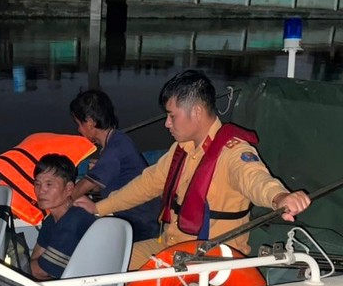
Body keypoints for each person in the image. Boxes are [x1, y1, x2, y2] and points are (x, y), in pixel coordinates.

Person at [74, 69, 311, 269]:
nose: (167, 123)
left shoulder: (233, 152)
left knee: (127, 279)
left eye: (171, 116)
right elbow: (145, 185)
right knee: (107, 261)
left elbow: (255, 179)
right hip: (170, 245)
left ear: (196, 112)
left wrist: (279, 197)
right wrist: (98, 207)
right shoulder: (181, 150)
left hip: (209, 258)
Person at [69, 89, 160, 241]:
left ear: (90, 122)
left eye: (79, 124)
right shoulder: (117, 140)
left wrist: (56, 202)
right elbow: (101, 186)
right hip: (132, 216)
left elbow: (80, 189)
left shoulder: (115, 149)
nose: (78, 130)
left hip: (141, 223)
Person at [30, 154, 96, 280]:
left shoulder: (75, 219)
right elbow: (34, 258)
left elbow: (39, 271)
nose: (41, 190)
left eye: (49, 184)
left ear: (69, 188)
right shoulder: (51, 220)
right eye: (37, 184)